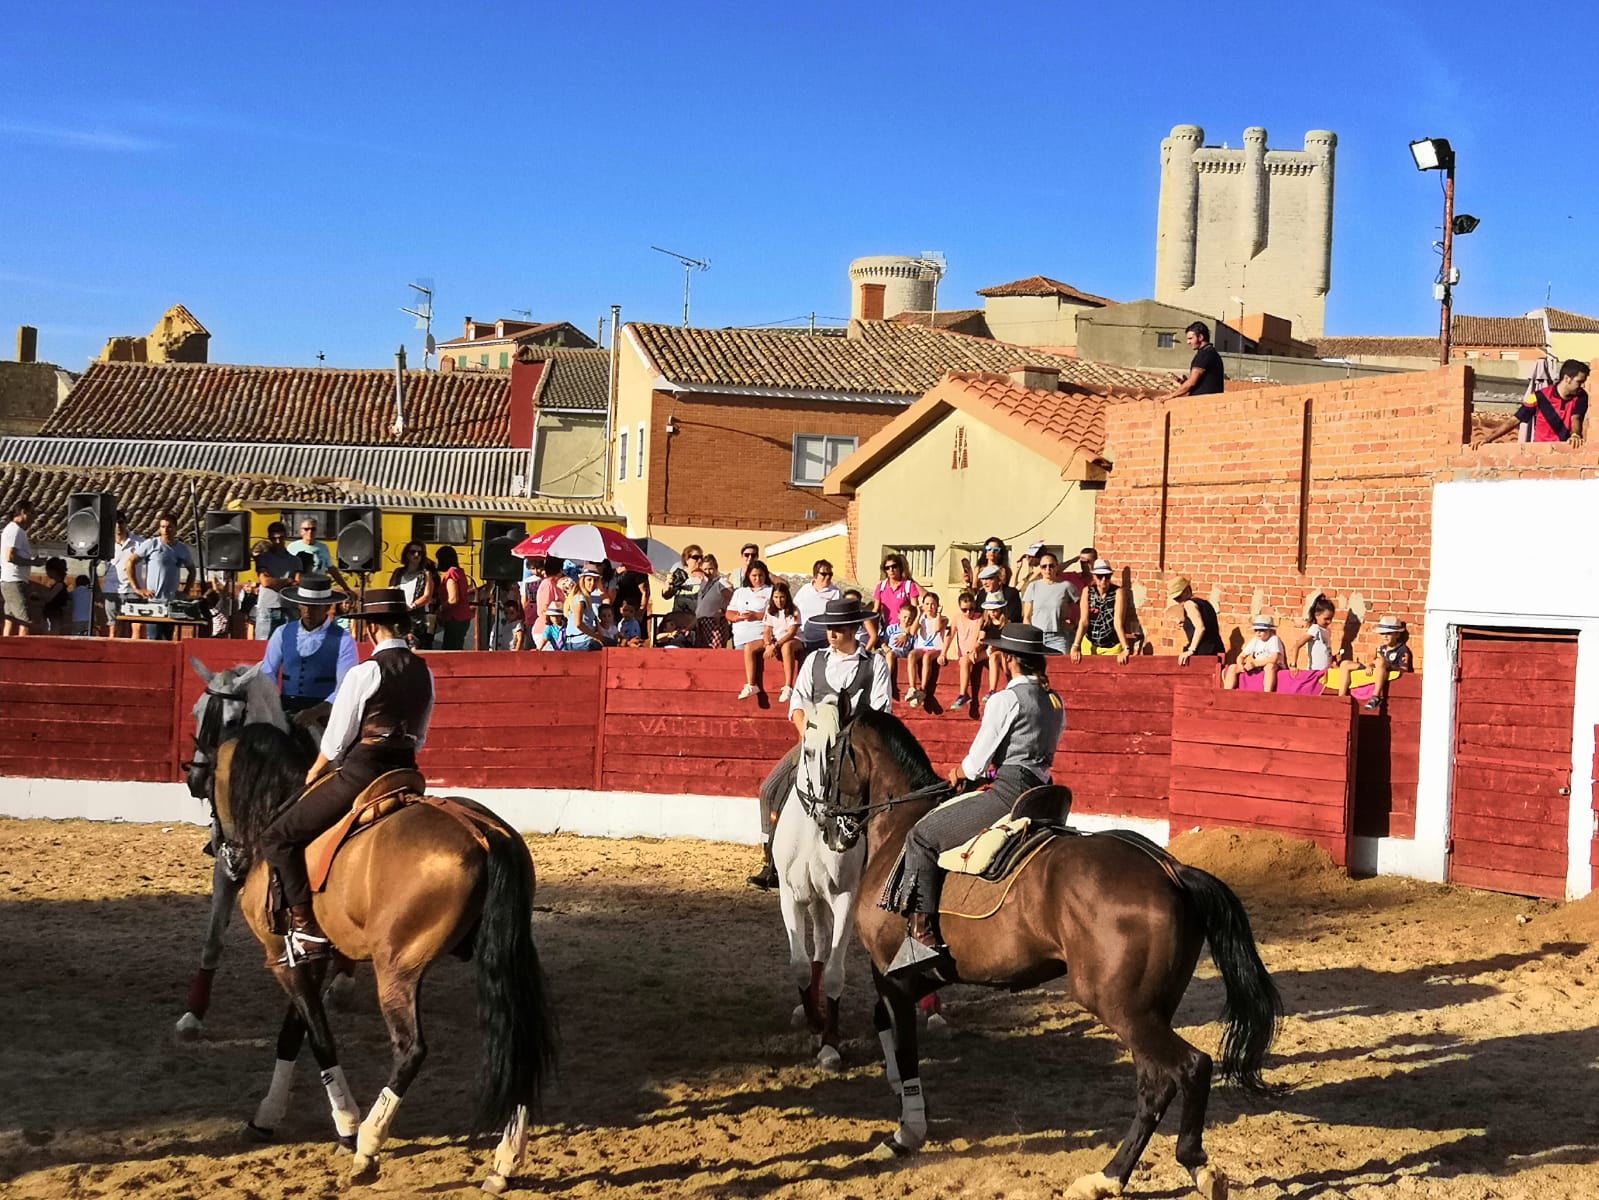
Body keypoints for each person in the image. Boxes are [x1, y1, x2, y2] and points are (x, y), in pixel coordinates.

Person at [258, 587, 435, 967]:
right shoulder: (425, 671)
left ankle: (305, 928)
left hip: (362, 772)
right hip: (406, 772)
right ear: (403, 626)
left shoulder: (365, 672)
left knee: (278, 837)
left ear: (371, 629)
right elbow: (420, 737)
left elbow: (336, 742)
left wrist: (314, 771)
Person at [889, 622, 1066, 974]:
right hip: (1041, 793)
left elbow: (974, 765)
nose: (995, 656)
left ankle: (922, 939)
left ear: (1011, 659)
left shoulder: (1006, 699)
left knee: (921, 837)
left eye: (999, 652)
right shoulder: (1054, 701)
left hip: (1008, 793)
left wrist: (960, 773)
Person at [746, 596, 893, 891]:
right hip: (815, 743)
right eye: (829, 627)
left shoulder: (875, 665)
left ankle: (881, 866)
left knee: (883, 801)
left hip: (855, 751)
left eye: (838, 627)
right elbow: (798, 701)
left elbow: (881, 711)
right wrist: (807, 732)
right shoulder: (815, 660)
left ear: (853, 629)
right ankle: (771, 861)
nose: (832, 633)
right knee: (770, 788)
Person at [259, 574, 359, 714]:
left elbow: (345, 686)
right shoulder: (282, 632)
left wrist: (317, 711)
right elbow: (268, 672)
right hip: (286, 708)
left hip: (325, 711)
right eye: (304, 605)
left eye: (314, 606)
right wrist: (273, 704)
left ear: (327, 607)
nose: (308, 610)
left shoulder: (343, 639)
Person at [1475, 359, 1588, 447]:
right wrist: (1488, 439)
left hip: (1566, 450)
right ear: (1567, 379)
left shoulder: (1582, 396)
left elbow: (1576, 418)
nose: (1583, 385)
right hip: (1541, 450)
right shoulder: (1538, 396)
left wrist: (1575, 435)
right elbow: (1515, 420)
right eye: (1580, 381)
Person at [124, 512, 197, 641]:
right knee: (153, 638)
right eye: (162, 527)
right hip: (154, 601)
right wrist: (137, 588)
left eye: (169, 527)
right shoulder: (151, 544)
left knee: (167, 638)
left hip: (171, 601)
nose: (165, 530)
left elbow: (192, 570)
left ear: (175, 528)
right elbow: (130, 562)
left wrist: (186, 591)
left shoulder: (181, 548)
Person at [1337, 617, 1413, 711]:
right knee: (1345, 664)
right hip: (1376, 669)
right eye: (1383, 633)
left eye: (1389, 633)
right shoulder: (1381, 648)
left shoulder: (1402, 649)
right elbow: (1374, 662)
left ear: (1397, 634)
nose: (1385, 636)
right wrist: (1369, 665)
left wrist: (1388, 666)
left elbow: (1404, 669)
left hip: (1388, 669)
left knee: (1380, 661)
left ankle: (1376, 696)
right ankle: (1341, 697)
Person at [1072, 559, 1133, 664]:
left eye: (1107, 576)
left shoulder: (1118, 592)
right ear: (1094, 577)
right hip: (1090, 642)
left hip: (1112, 645)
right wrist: (1076, 645)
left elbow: (1118, 622)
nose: (1104, 580)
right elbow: (1084, 621)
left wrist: (1125, 648)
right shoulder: (1088, 591)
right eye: (1100, 576)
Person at [731, 559, 776, 698]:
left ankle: (752, 685)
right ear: (748, 576)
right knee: (740, 669)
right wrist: (737, 617)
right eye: (754, 576)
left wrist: (756, 615)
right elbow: (729, 612)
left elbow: (777, 614)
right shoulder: (740, 592)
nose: (757, 579)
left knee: (752, 651)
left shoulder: (771, 591)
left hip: (760, 633)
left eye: (760, 575)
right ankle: (750, 686)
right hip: (740, 635)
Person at [253, 522, 302, 642]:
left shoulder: (295, 560)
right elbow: (265, 582)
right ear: (269, 538)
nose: (278, 541)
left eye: (280, 537)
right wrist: (288, 581)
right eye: (274, 538)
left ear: (285, 536)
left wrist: (277, 582)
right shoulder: (263, 558)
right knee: (263, 644)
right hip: (267, 607)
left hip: (289, 607)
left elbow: (297, 583)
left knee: (290, 643)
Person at [286, 517, 356, 599]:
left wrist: (346, 588)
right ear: (301, 531)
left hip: (318, 589)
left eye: (313, 529)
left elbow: (331, 569)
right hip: (299, 589)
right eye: (306, 529)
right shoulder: (292, 547)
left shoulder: (323, 547)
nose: (310, 532)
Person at [754, 580, 801, 702]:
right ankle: (751, 683)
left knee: (786, 647)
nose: (779, 600)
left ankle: (788, 685)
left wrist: (775, 645)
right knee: (750, 647)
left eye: (782, 597)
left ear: (786, 597)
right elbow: (767, 630)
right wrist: (768, 644)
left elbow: (792, 632)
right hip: (775, 640)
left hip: (793, 640)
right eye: (776, 597)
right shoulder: (770, 609)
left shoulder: (794, 610)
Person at [1022, 552, 1076, 654]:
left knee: (1060, 668)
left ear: (1056, 566)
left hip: (1058, 637)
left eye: (1051, 566)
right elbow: (1027, 617)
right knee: (1037, 668)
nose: (1047, 569)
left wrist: (1074, 623)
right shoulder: (1033, 586)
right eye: (1044, 566)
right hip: (1037, 637)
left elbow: (1082, 605)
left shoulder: (1066, 586)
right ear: (1040, 568)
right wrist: (1029, 637)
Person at [1157, 321, 1225, 400]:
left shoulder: (1205, 354)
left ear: (1200, 337)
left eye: (1190, 338)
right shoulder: (1211, 352)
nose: (1188, 342)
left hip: (1202, 403)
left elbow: (1192, 383)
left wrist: (1171, 395)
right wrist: (1183, 382)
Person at [390, 542, 439, 649]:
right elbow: (391, 589)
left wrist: (412, 606)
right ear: (406, 554)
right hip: (398, 616)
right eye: (412, 552)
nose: (416, 555)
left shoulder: (426, 574)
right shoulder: (398, 572)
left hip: (417, 619)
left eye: (420, 553)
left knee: (415, 648)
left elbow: (427, 596)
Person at [1169, 576, 1225, 667]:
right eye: (1176, 598)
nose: (1178, 600)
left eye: (1179, 596)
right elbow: (1208, 625)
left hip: (1203, 653)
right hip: (1216, 650)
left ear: (1187, 590)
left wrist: (1191, 650)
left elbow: (1200, 627)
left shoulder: (1189, 604)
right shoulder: (1205, 604)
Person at [905, 591, 948, 708]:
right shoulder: (921, 618)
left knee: (927, 657)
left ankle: (923, 689)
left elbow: (938, 628)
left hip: (935, 648)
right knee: (911, 655)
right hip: (922, 647)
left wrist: (938, 613)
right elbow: (912, 632)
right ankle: (912, 687)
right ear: (923, 605)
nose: (930, 607)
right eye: (927, 604)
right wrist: (919, 614)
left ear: (937, 605)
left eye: (933, 604)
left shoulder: (943, 618)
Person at [1, 498, 36, 637]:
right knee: (24, 620)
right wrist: (32, 563)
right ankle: (24, 652)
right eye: (32, 513)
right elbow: (11, 556)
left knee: (9, 619)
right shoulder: (14, 530)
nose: (33, 517)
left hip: (12, 580)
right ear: (23, 512)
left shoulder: (15, 530)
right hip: (14, 580)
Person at [944, 589, 984, 711]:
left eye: (971, 609)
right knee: (964, 661)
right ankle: (965, 695)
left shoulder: (979, 618)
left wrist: (974, 650)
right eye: (964, 610)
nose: (968, 612)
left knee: (965, 661)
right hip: (964, 655)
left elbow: (980, 638)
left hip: (977, 652)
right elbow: (950, 635)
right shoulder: (957, 618)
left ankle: (963, 694)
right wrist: (943, 653)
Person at [1223, 616, 1285, 691]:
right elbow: (1241, 656)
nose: (1258, 633)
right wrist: (1240, 664)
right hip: (1257, 666)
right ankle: (1226, 692)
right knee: (1233, 667)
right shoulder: (1255, 640)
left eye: (1262, 630)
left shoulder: (1274, 639)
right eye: (1256, 630)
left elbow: (1274, 658)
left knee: (1269, 666)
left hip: (1273, 665)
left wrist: (1255, 664)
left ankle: (1267, 693)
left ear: (1270, 630)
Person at [102, 512, 139, 638]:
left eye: (121, 522)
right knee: (113, 628)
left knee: (136, 626)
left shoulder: (138, 542)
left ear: (126, 523)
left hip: (132, 590)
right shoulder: (105, 544)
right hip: (111, 590)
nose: (118, 526)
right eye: (115, 523)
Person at [794, 560, 841, 652]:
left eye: (830, 574)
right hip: (802, 637)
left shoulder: (835, 592)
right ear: (815, 575)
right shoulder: (805, 589)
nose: (827, 577)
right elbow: (793, 609)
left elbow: (837, 618)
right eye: (824, 574)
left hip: (823, 640)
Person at [434, 546, 475, 650]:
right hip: (463, 617)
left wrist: (440, 609)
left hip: (455, 618)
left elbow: (453, 599)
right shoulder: (459, 572)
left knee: (451, 648)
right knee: (457, 646)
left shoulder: (451, 574)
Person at [562, 566, 605, 650]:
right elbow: (578, 624)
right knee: (613, 645)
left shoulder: (582, 597)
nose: (592, 583)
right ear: (583, 580)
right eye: (589, 579)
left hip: (575, 641)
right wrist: (595, 636)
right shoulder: (580, 598)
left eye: (595, 580)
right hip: (582, 641)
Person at [694, 553, 732, 649]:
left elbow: (732, 598)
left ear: (715, 568)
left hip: (715, 623)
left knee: (715, 652)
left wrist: (723, 611)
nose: (708, 572)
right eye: (705, 569)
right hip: (701, 622)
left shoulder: (721, 582)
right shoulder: (704, 584)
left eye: (710, 568)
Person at [873, 553, 922, 624]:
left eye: (894, 566)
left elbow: (915, 610)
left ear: (900, 567)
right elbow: (876, 609)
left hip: (904, 629)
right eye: (887, 568)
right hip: (887, 630)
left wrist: (908, 631)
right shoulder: (881, 587)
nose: (891, 570)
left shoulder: (909, 586)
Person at [38, 557, 69, 635]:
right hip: (52, 613)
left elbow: (49, 598)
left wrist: (39, 596)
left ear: (53, 571)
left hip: (53, 614)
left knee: (51, 633)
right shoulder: (57, 585)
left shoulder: (59, 585)